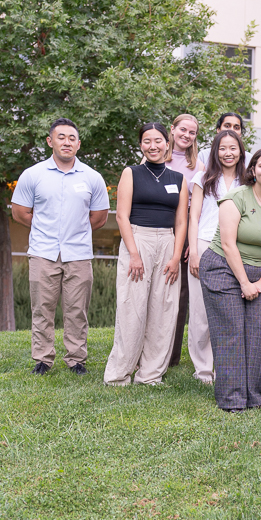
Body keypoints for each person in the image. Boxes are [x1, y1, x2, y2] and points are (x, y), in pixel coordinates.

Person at [12, 118, 109, 376]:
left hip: (79, 254)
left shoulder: (92, 177)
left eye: (72, 138)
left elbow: (99, 217)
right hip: (43, 253)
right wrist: (47, 229)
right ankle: (43, 359)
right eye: (61, 137)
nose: (67, 142)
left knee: (77, 310)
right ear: (50, 141)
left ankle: (76, 359)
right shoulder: (33, 175)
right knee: (42, 309)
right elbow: (20, 212)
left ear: (79, 144)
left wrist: (74, 231)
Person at [199, 148, 261, 411]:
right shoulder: (236, 197)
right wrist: (244, 283)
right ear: (252, 170)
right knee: (231, 332)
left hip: (260, 274)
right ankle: (232, 398)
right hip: (223, 268)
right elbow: (228, 244)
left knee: (257, 334)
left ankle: (253, 396)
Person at [103, 123, 189, 386]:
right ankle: (118, 375)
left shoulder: (179, 179)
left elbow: (182, 221)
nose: (153, 146)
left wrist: (175, 257)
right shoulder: (131, 173)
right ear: (141, 144)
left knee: (164, 309)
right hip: (138, 239)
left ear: (167, 144)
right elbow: (121, 216)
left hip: (168, 243)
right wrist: (134, 254)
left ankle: (150, 374)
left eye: (158, 141)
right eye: (147, 141)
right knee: (132, 308)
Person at [187, 130, 246, 384]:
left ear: (241, 151)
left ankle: (226, 366)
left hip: (238, 247)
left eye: (233, 148)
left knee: (229, 312)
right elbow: (194, 217)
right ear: (215, 151)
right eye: (222, 148)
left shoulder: (249, 180)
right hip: (205, 243)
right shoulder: (203, 178)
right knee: (200, 312)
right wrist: (193, 251)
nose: (228, 153)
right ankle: (202, 371)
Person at [165, 114, 201, 369]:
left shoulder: (198, 166)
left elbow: (198, 208)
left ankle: (171, 356)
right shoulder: (154, 157)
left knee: (180, 293)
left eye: (192, 132)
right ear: (172, 129)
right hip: (158, 222)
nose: (186, 135)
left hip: (185, 226)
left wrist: (191, 241)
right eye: (183, 130)